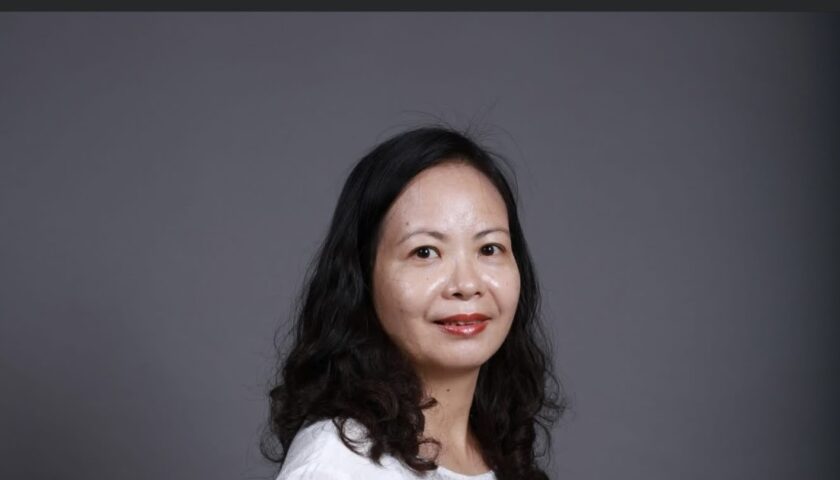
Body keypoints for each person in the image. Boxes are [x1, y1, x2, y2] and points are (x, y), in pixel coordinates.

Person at [261, 126, 566, 480]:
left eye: (489, 248)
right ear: (362, 275)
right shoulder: (336, 466)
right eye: (425, 252)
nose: (467, 285)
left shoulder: (498, 451)